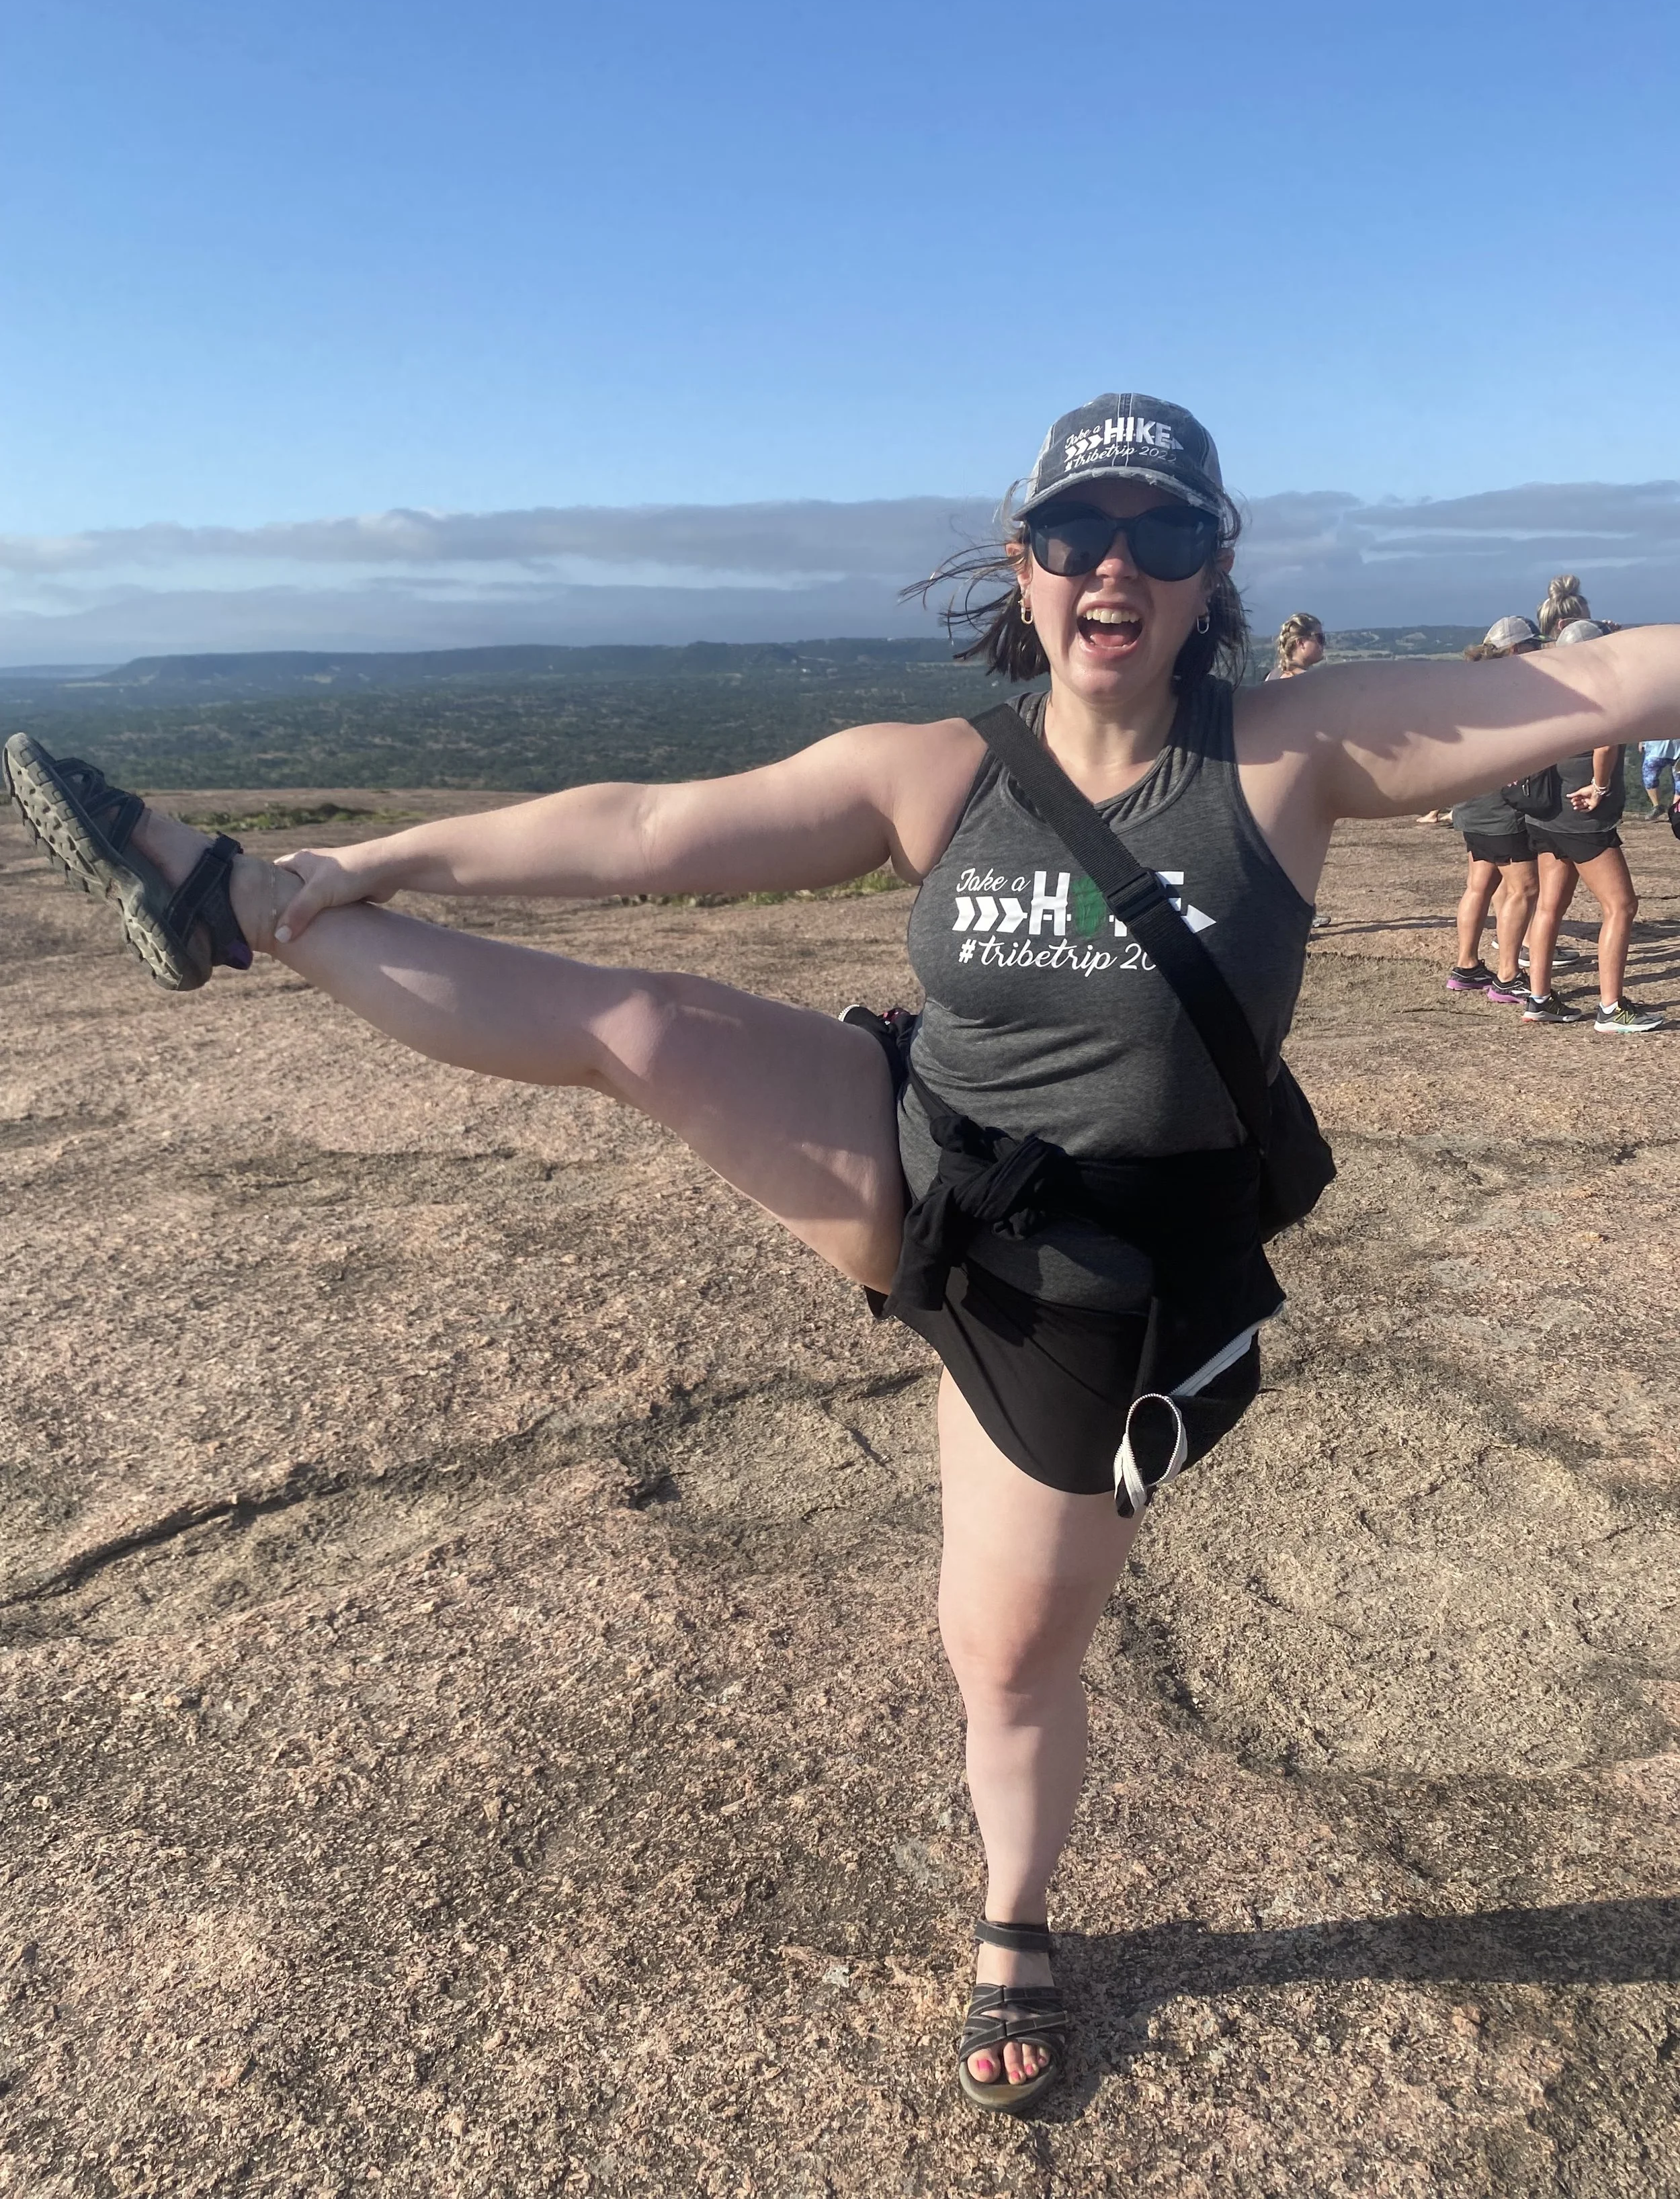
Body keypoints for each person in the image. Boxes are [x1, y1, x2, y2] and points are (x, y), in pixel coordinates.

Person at [9, 390, 1680, 2117]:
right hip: (918, 1152)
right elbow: (647, 834)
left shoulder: (1287, 754)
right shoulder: (943, 771)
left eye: (1162, 534)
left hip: (1097, 1277)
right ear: (1023, 565)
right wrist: (355, 860)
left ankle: (1014, 1911)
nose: (1117, 563)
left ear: (1210, 575)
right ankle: (232, 898)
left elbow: (1615, 682)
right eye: (1076, 531)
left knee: (1007, 1654)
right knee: (640, 1023)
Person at [1521, 619, 1662, 1031]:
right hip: (1582, 816)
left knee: (1550, 905)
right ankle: (1611, 1007)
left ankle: (1540, 998)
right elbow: (1606, 741)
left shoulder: (1545, 688)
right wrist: (1600, 787)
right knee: (1621, 906)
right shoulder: (1599, 688)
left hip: (1546, 811)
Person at [1444, 618, 1543, 1001]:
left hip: (1470, 802)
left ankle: (1467, 966)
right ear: (1516, 651)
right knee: (1525, 887)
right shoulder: (1509, 694)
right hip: (1500, 807)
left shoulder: (1467, 690)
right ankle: (1507, 977)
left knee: (1479, 885)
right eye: (1533, 646)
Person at [1266, 611, 1325, 679]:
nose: (1323, 643)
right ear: (1301, 643)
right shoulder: (1306, 680)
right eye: (1319, 638)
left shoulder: (1272, 675)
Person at [1640, 738, 1680, 819]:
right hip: (1655, 747)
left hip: (1677, 748)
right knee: (1649, 779)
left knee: (1679, 782)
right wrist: (1642, 741)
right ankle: (1657, 807)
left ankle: (1675, 812)